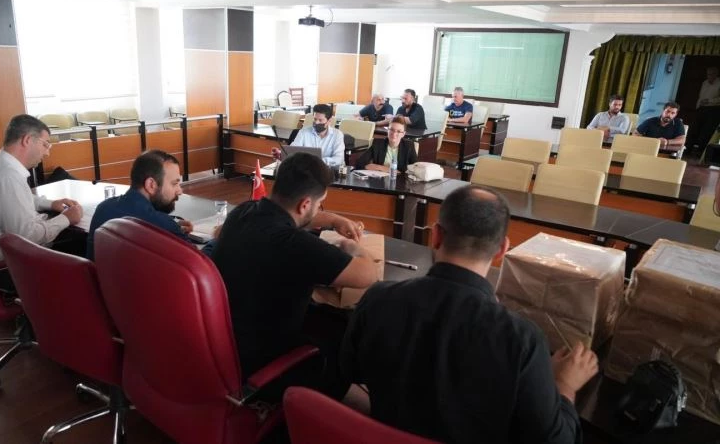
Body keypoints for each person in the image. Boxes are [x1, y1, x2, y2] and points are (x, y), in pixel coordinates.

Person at [340, 185, 597, 443]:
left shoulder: (378, 299)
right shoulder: (521, 340)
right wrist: (565, 387)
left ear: (436, 236)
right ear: (502, 250)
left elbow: (348, 373)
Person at [211, 152, 379, 397]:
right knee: (341, 341)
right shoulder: (295, 245)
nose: (320, 208)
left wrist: (333, 219)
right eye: (320, 204)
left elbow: (290, 216)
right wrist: (352, 248)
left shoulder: (242, 212)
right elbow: (368, 275)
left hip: (227, 344)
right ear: (305, 205)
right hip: (263, 365)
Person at [0, 114, 83, 264]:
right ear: (27, 140)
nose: (47, 153)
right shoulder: (7, 176)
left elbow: (17, 198)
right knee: (85, 244)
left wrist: (51, 204)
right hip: (12, 266)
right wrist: (66, 218)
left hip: (2, 256)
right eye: (45, 145)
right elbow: (27, 237)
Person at [86, 150, 209, 260]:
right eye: (174, 184)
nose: (180, 191)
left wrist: (174, 224)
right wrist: (217, 240)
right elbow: (203, 265)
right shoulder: (164, 225)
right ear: (151, 185)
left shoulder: (103, 208)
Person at [688, 67, 720, 155]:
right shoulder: (705, 83)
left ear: (716, 74)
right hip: (701, 109)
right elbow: (701, 96)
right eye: (708, 74)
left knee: (706, 132)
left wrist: (709, 101)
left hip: (713, 110)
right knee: (694, 129)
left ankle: (701, 152)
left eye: (712, 74)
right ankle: (688, 149)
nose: (710, 76)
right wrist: (698, 106)